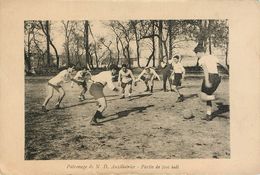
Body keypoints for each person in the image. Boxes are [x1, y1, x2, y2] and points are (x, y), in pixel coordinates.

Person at [194, 44, 221, 121]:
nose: (196, 55)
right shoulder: (213, 57)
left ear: (199, 52)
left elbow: (205, 70)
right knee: (207, 95)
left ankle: (215, 97)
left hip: (210, 77)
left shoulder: (201, 59)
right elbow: (220, 65)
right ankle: (208, 115)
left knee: (202, 96)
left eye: (196, 54)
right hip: (217, 77)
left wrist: (207, 81)